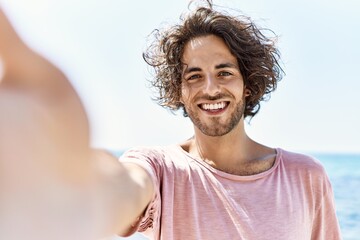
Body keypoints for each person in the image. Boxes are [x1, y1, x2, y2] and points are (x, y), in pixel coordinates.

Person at [0, 1, 341, 240]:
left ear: (247, 84)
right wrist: (72, 182)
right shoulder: (160, 168)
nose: (210, 88)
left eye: (224, 72)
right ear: (178, 91)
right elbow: (124, 187)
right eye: (194, 76)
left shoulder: (306, 176)